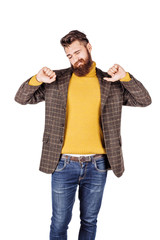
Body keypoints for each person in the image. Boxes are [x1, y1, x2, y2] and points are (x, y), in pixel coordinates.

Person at [15, 30, 152, 240]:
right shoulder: (56, 80)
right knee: (59, 222)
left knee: (89, 221)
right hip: (61, 164)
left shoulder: (111, 81)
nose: (74, 59)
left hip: (98, 165)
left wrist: (125, 77)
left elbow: (144, 100)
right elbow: (21, 98)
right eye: (69, 56)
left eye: (77, 52)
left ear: (89, 47)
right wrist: (36, 78)